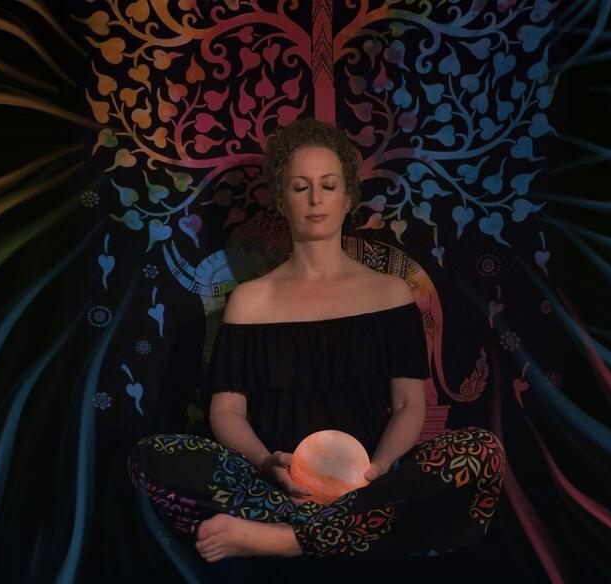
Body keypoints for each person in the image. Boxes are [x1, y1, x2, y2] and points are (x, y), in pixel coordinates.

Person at [127, 118, 506, 562]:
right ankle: (341, 529)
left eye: (328, 185)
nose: (315, 199)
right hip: (277, 488)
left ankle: (287, 540)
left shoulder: (390, 292)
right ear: (281, 199)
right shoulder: (250, 301)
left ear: (348, 197)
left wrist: (377, 472)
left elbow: (409, 406)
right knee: (151, 457)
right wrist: (268, 463)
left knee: (481, 451)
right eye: (299, 187)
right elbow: (226, 412)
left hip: (372, 484)